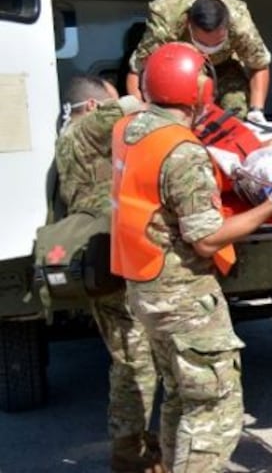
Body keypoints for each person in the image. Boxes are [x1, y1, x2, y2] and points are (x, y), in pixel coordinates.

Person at [111, 42, 272, 473]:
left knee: (181, 396)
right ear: (202, 90)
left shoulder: (129, 130)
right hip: (184, 297)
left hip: (145, 287)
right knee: (214, 408)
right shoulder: (182, 150)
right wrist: (271, 205)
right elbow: (206, 240)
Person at [55, 75, 163, 473]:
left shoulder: (67, 137)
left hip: (106, 253)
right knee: (134, 361)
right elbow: (137, 107)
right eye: (108, 103)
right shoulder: (84, 128)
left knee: (133, 355)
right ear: (94, 108)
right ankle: (128, 453)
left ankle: (135, 440)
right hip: (110, 255)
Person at [125, 0, 272, 121]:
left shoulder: (241, 27)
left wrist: (256, 110)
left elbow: (259, 65)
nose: (209, 48)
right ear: (188, 24)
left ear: (228, 28)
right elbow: (137, 70)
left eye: (217, 42)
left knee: (235, 108)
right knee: (180, 114)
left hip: (223, 64)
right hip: (178, 68)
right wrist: (141, 111)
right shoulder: (166, 22)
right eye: (203, 43)